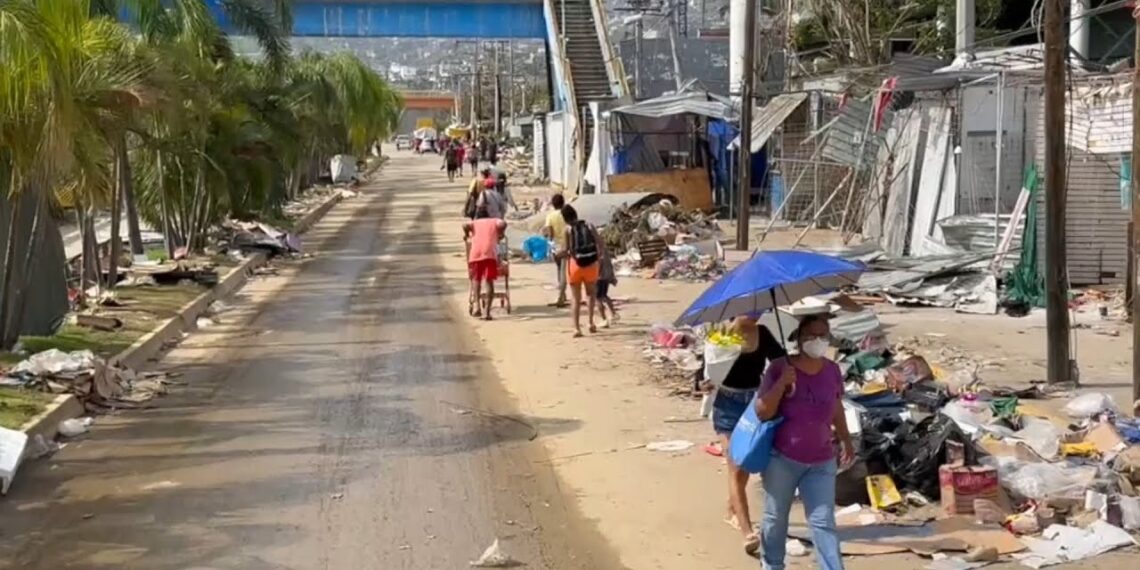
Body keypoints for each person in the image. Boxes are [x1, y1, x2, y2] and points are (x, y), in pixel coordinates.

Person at [755, 314, 853, 570]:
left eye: (823, 335)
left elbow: (836, 407)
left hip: (822, 459)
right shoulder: (779, 368)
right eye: (811, 335)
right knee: (775, 519)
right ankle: (772, 565)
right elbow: (762, 411)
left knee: (823, 522)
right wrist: (781, 384)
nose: (817, 340)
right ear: (798, 339)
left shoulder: (832, 370)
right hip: (782, 458)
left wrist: (846, 439)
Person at [710, 315, 786, 555]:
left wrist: (785, 371)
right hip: (726, 404)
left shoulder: (762, 333)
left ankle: (732, 509)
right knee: (735, 465)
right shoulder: (720, 333)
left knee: (744, 464)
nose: (754, 312)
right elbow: (708, 369)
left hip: (754, 404)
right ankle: (747, 531)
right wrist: (701, 383)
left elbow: (779, 361)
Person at [557, 205, 603, 337]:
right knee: (590, 294)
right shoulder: (589, 225)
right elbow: (600, 242)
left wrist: (557, 254)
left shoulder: (567, 229)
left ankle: (576, 328)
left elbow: (565, 250)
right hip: (591, 265)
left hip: (575, 265)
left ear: (565, 218)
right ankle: (590, 322)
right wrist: (598, 257)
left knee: (575, 298)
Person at [463, 210, 507, 320]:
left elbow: (464, 225)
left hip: (476, 253)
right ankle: (487, 312)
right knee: (489, 281)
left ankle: (477, 306)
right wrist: (501, 233)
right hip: (489, 253)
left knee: (476, 279)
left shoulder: (474, 222)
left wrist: (466, 234)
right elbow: (503, 223)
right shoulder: (494, 221)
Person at [542, 194, 568, 307]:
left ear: (553, 204)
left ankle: (562, 295)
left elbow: (550, 233)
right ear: (563, 202)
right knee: (564, 271)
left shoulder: (550, 216)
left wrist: (550, 244)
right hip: (567, 245)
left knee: (559, 270)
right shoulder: (566, 214)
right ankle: (562, 295)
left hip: (556, 245)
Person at [595, 249, 619, 327]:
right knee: (604, 296)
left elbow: (598, 262)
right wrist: (612, 276)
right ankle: (613, 313)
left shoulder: (596, 248)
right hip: (606, 276)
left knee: (597, 298)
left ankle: (603, 319)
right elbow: (609, 264)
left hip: (598, 276)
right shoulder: (604, 248)